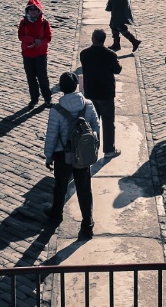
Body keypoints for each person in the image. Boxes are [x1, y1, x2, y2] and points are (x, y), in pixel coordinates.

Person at [43, 71, 100, 238]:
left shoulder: (56, 110)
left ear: (61, 88)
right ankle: (87, 223)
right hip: (82, 155)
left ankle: (56, 213)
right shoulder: (88, 105)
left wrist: (48, 156)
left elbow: (52, 135)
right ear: (76, 86)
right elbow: (96, 128)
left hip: (63, 156)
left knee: (60, 186)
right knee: (84, 190)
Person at [79, 29, 122, 158]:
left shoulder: (84, 54)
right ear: (104, 39)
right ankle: (109, 149)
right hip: (106, 93)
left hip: (90, 92)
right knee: (108, 123)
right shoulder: (110, 55)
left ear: (93, 39)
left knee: (92, 122)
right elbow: (117, 70)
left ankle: (92, 147)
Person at [19, 0, 53, 107]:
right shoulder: (23, 22)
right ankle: (34, 99)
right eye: (31, 9)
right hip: (27, 54)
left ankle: (47, 98)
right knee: (31, 77)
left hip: (41, 54)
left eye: (35, 9)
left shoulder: (44, 23)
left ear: (39, 11)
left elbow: (48, 37)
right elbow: (21, 36)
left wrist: (39, 43)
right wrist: (33, 40)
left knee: (42, 77)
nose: (33, 11)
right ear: (27, 10)